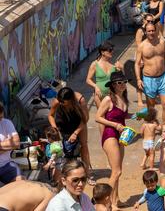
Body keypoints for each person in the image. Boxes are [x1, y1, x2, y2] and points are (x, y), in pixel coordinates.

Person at [95, 70, 130, 206]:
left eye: (124, 82)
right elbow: (97, 117)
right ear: (113, 85)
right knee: (117, 171)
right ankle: (103, 203)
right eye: (119, 83)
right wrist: (115, 125)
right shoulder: (108, 99)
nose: (123, 85)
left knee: (117, 172)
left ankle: (115, 201)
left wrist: (136, 116)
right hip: (110, 134)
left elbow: (120, 115)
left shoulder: (124, 98)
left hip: (121, 135)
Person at [135, 23, 165, 124]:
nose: (151, 33)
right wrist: (138, 79)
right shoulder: (142, 46)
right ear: (145, 32)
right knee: (151, 107)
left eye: (153, 30)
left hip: (163, 77)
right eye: (149, 31)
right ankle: (152, 125)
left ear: (156, 30)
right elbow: (137, 64)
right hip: (149, 79)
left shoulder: (162, 42)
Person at [47, 88, 92, 178]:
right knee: (61, 148)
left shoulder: (80, 100)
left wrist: (75, 133)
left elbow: (85, 118)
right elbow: (50, 115)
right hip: (62, 124)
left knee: (83, 145)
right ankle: (65, 173)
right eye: (60, 101)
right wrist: (55, 128)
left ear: (71, 100)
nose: (61, 104)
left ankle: (87, 173)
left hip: (79, 123)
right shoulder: (57, 101)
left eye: (63, 102)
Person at [86, 42, 123, 108]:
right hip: (100, 95)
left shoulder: (113, 64)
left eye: (112, 50)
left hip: (112, 95)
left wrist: (121, 68)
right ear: (102, 52)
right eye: (110, 50)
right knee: (101, 116)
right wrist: (95, 86)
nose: (112, 52)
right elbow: (88, 80)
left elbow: (122, 79)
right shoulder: (95, 64)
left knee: (111, 116)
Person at [0, 102, 20, 185]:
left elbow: (16, 143)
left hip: (6, 164)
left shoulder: (6, 122)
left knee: (21, 182)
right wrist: (7, 144)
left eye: (1, 116)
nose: (1, 120)